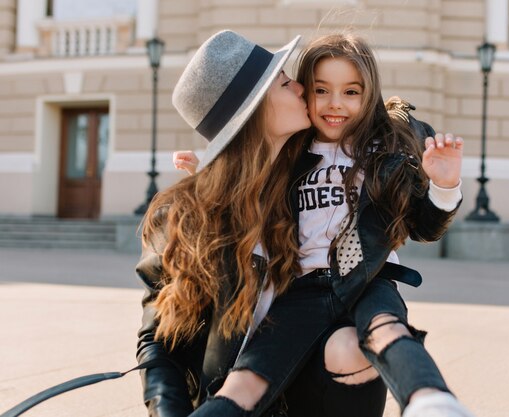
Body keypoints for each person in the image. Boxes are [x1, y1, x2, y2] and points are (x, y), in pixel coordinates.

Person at [173, 33, 476, 417]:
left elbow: (424, 227)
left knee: (387, 329)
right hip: (301, 284)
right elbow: (251, 184)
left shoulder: (384, 154)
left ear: (370, 96)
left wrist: (444, 185)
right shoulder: (291, 154)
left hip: (368, 277)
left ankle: (431, 401)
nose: (336, 104)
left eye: (351, 92)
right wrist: (210, 174)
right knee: (245, 380)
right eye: (320, 90)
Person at [136, 29, 392, 417]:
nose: (303, 89)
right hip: (224, 402)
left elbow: (385, 128)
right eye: (287, 83)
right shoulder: (181, 216)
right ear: (255, 109)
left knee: (354, 346)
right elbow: (157, 341)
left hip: (306, 394)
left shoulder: (301, 193)